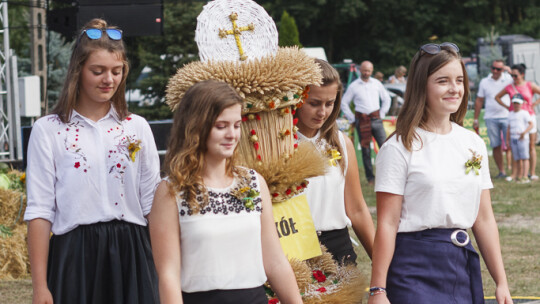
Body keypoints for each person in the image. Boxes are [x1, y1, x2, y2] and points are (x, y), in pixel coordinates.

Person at [24, 19, 161, 304]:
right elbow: (40, 210)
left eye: (117, 71)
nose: (109, 79)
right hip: (74, 257)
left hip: (133, 255)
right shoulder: (48, 130)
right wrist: (40, 287)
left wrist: (166, 272)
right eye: (97, 71)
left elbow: (153, 205)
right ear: (78, 71)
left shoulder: (137, 127)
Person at [369, 42, 513, 304]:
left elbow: (483, 218)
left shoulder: (473, 143)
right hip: (413, 268)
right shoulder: (398, 146)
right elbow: (387, 224)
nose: (454, 88)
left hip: (460, 263)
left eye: (459, 80)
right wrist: (378, 290)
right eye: (443, 81)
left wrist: (501, 282)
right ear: (421, 85)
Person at [148, 80, 302, 304]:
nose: (232, 134)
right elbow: (168, 275)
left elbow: (275, 261)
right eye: (221, 126)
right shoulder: (171, 191)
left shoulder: (253, 183)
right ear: (196, 127)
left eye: (237, 125)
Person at [296, 59, 375, 264]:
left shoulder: (341, 143)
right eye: (314, 103)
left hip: (338, 248)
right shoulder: (279, 144)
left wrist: (384, 266)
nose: (322, 112)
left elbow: (357, 209)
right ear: (296, 98)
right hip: (294, 248)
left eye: (329, 103)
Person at [341, 60, 391, 184]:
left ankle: (387, 174)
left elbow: (387, 99)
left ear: (372, 70)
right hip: (362, 120)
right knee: (366, 150)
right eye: (364, 70)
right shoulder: (354, 85)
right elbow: (344, 102)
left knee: (385, 146)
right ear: (360, 70)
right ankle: (370, 178)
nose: (366, 73)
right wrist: (352, 118)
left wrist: (383, 113)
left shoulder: (377, 84)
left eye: (368, 71)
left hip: (376, 119)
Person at [495, 63, 540, 181]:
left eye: (516, 76)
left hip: (529, 117)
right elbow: (497, 97)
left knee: (531, 146)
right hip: (515, 118)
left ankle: (532, 172)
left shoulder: (530, 85)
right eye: (512, 76)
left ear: (522, 74)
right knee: (516, 146)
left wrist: (534, 104)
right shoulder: (510, 87)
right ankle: (518, 173)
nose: (514, 78)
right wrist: (507, 107)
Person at [474, 59, 513, 178]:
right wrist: (476, 118)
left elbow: (518, 83)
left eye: (498, 69)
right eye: (493, 68)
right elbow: (479, 100)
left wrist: (510, 72)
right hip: (491, 117)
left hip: (507, 116)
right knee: (496, 145)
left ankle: (517, 171)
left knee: (511, 144)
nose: (495, 71)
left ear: (503, 69)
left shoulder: (508, 79)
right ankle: (502, 171)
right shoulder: (484, 82)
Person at [506, 95, 533, 183]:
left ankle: (525, 176)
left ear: (521, 104)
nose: (516, 105)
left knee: (525, 157)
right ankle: (519, 175)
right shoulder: (510, 114)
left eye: (518, 103)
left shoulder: (524, 113)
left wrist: (524, 133)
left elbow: (531, 124)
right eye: (514, 103)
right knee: (517, 158)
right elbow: (509, 128)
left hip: (523, 139)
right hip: (514, 138)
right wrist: (507, 140)